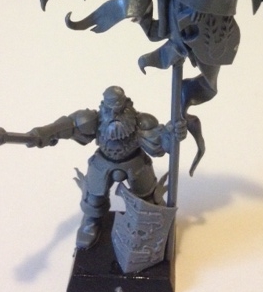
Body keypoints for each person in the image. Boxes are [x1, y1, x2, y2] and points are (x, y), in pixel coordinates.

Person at [27, 85, 186, 248]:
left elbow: (159, 144)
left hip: (134, 162)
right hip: (104, 161)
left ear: (127, 104)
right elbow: (67, 125)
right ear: (103, 105)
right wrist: (44, 132)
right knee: (93, 196)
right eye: (110, 109)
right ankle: (91, 221)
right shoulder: (93, 120)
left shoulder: (142, 123)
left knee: (147, 199)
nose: (115, 114)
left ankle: (149, 223)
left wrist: (171, 135)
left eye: (119, 109)